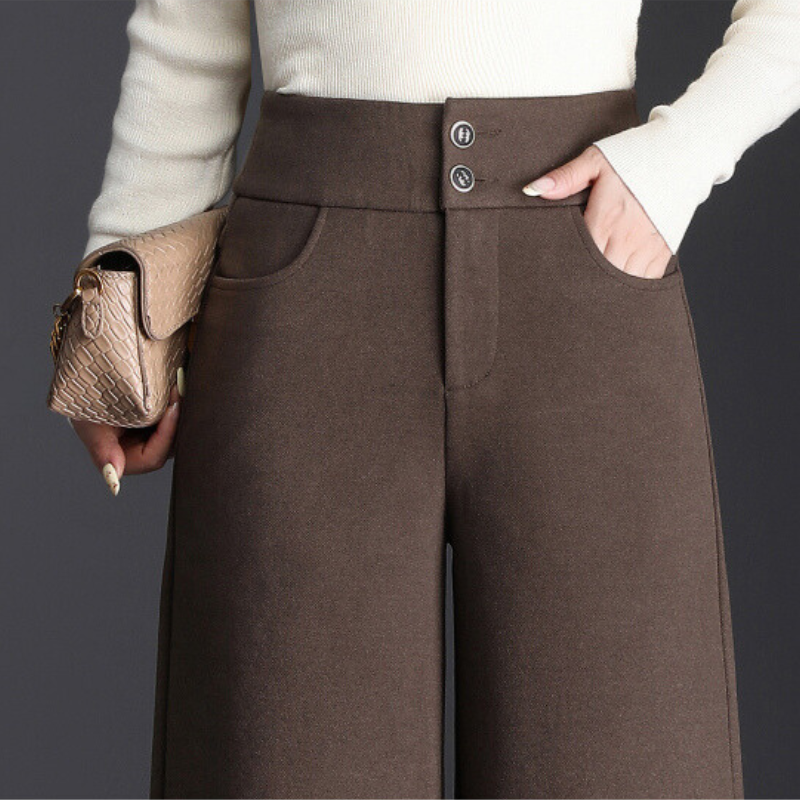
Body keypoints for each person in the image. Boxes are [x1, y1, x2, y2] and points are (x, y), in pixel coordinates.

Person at [65, 1, 800, 797]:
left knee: (630, 764)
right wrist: (119, 298)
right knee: (276, 758)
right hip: (307, 300)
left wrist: (678, 159)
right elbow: (188, 28)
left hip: (581, 282)